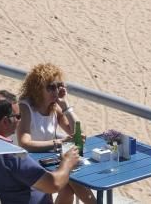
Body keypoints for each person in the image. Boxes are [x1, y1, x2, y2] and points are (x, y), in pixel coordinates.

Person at [0, 90, 80, 204]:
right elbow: (54, 184)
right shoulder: (11, 155)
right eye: (18, 117)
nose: (20, 120)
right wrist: (67, 162)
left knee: (67, 190)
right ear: (5, 121)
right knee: (65, 186)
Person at [15, 64, 95, 204]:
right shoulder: (25, 108)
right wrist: (59, 143)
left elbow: (77, 133)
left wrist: (65, 106)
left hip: (46, 161)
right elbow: (25, 143)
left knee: (68, 188)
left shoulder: (54, 107)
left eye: (59, 86)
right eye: (51, 87)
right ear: (38, 88)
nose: (56, 91)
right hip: (27, 165)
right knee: (71, 177)